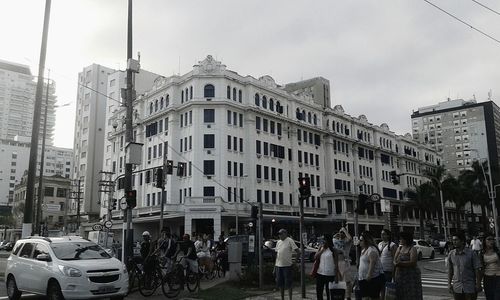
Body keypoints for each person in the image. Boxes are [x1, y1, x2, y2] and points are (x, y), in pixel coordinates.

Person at [448, 231, 482, 300]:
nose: (454, 242)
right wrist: (449, 283)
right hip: (457, 287)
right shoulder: (451, 254)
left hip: (469, 287)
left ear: (462, 241)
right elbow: (450, 270)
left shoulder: (471, 253)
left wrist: (478, 284)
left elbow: (477, 269)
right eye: (453, 240)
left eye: (456, 240)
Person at [393, 231, 423, 300]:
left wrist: (400, 263)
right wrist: (395, 264)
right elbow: (394, 260)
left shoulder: (412, 249)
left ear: (406, 239)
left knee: (411, 294)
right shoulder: (399, 248)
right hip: (400, 275)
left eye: (401, 238)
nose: (399, 240)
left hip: (411, 276)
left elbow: (413, 262)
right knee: (400, 293)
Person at [358, 231, 385, 300]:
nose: (359, 241)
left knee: (373, 297)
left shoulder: (371, 250)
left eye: (361, 240)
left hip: (372, 278)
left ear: (366, 241)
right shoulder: (364, 250)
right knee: (364, 297)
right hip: (362, 278)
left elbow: (372, 262)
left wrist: (369, 275)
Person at [274, 229, 300, 300]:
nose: (279, 235)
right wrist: (275, 266)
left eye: (281, 234)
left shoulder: (290, 240)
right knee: (280, 283)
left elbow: (298, 252)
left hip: (287, 266)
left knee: (289, 283)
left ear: (285, 233)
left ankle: (290, 298)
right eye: (279, 234)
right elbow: (277, 254)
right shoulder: (278, 242)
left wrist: (295, 261)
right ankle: (282, 298)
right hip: (278, 265)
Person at [314, 233, 340, 300]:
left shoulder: (334, 250)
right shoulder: (321, 247)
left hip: (330, 274)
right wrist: (322, 250)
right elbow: (315, 257)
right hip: (320, 273)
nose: (322, 241)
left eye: (324, 239)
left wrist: (336, 276)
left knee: (329, 293)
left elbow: (336, 264)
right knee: (319, 292)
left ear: (328, 240)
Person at [333, 226, 354, 300]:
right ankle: (340, 296)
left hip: (345, 262)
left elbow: (350, 238)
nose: (341, 234)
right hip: (337, 262)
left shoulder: (346, 241)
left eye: (342, 233)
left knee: (347, 281)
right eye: (340, 232)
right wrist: (337, 234)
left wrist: (344, 230)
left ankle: (348, 297)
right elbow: (332, 239)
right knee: (338, 281)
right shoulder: (336, 241)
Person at [480, 234, 500, 300]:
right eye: (489, 239)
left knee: (497, 297)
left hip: (498, 277)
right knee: (489, 296)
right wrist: (479, 282)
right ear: (484, 241)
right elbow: (481, 268)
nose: (491, 241)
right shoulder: (482, 253)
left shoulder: (497, 252)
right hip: (487, 278)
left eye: (492, 239)